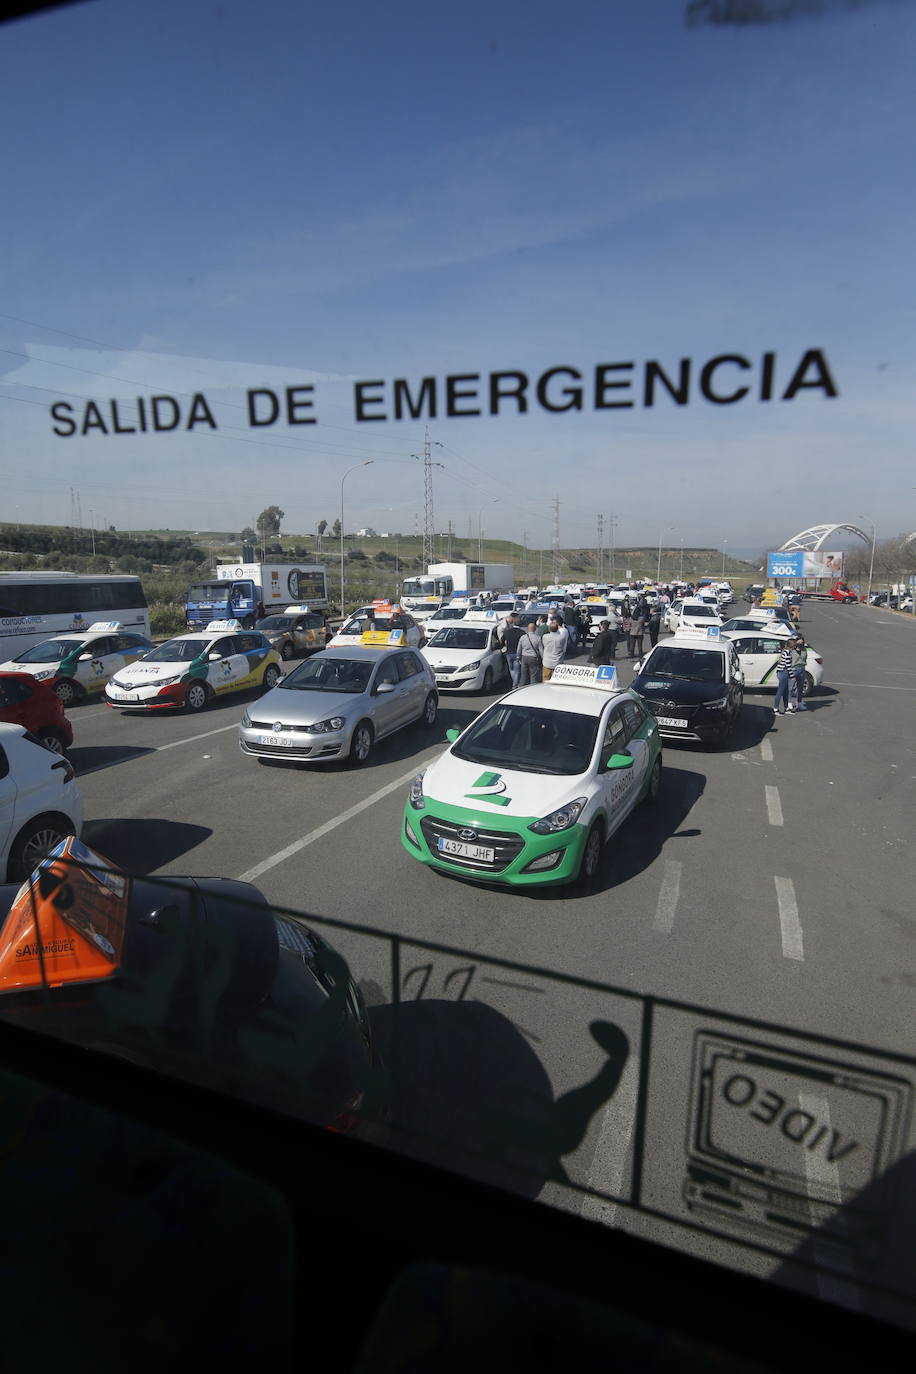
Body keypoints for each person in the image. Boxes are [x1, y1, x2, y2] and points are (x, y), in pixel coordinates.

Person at [499, 612, 524, 688]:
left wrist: (502, 646)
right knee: (517, 671)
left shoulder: (507, 632)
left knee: (511, 670)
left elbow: (502, 641)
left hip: (509, 653)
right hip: (517, 653)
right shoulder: (522, 633)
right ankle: (515, 685)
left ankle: (514, 683)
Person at [518, 621, 543, 685]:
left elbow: (519, 649)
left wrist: (519, 657)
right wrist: (542, 659)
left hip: (524, 657)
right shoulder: (538, 638)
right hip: (533, 657)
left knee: (523, 675)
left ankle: (522, 688)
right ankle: (532, 688)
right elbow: (541, 650)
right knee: (533, 675)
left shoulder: (522, 637)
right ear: (534, 629)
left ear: (528, 629)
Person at [773, 639, 794, 715]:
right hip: (784, 672)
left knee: (785, 691)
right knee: (780, 691)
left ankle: (786, 708)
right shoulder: (787, 653)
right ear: (792, 646)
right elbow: (788, 665)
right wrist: (792, 675)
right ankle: (775, 709)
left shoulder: (784, 651)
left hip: (781, 672)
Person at [789, 636, 808, 711]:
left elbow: (805, 658)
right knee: (791, 687)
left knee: (800, 688)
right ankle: (789, 703)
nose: (800, 643)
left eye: (802, 642)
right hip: (794, 669)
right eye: (799, 642)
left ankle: (799, 703)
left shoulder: (804, 649)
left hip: (802, 669)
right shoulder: (792, 650)